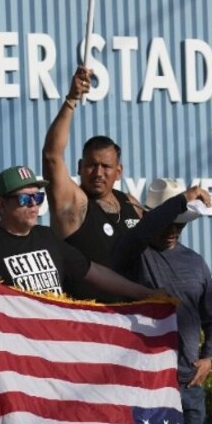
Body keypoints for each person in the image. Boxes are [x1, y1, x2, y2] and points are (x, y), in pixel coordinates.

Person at [111, 179, 212, 424]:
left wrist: (210, 357)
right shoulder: (132, 254)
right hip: (146, 382)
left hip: (189, 383)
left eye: (180, 224)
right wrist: (181, 200)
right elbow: (141, 233)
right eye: (167, 222)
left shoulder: (196, 262)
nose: (173, 230)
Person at [0, 165, 157, 302]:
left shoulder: (47, 237)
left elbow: (92, 272)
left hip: (52, 344)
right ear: (1, 205)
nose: (34, 205)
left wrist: (144, 293)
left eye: (38, 197)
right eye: (25, 199)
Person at [42, 67, 142, 300]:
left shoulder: (130, 203)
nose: (98, 173)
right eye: (91, 165)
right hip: (89, 317)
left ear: (119, 172)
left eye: (106, 167)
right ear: (79, 167)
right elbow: (51, 156)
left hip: (134, 314)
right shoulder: (74, 204)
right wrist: (71, 100)